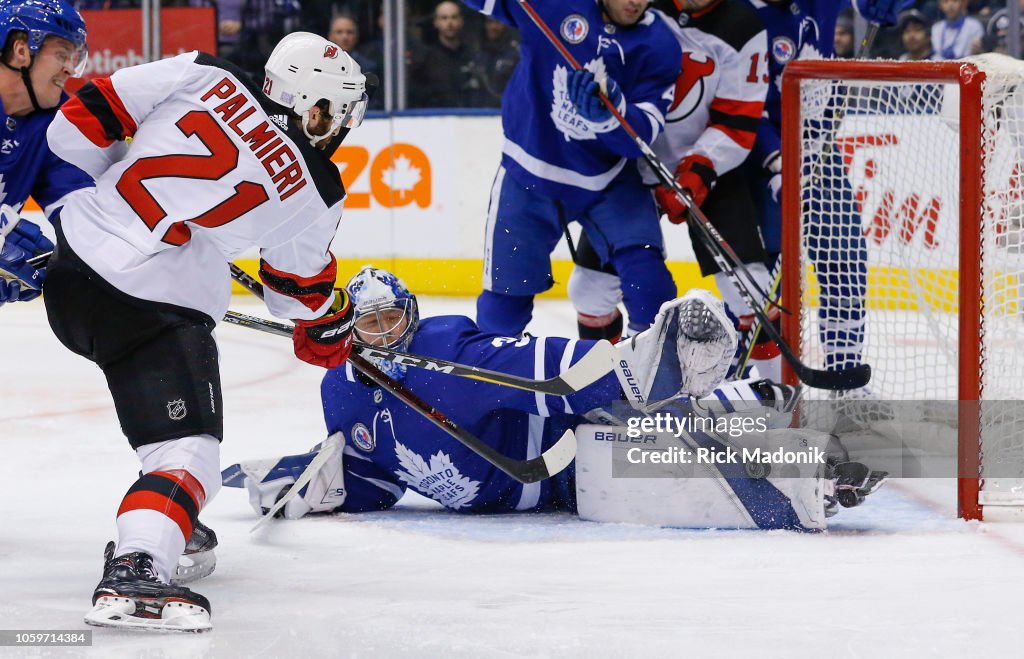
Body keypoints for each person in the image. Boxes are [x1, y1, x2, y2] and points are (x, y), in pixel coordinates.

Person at [42, 31, 368, 632]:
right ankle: (139, 567)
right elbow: (293, 295)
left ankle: (167, 521)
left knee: (160, 431)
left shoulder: (204, 71)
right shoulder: (317, 187)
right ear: (315, 107)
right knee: (188, 451)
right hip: (153, 309)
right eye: (337, 113)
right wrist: (332, 321)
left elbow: (73, 127)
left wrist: (110, 207)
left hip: (72, 271)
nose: (337, 128)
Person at [223, 266, 885, 531]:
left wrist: (639, 369)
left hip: (569, 454)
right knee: (651, 448)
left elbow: (548, 370)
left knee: (640, 450)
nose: (383, 335)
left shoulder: (446, 352)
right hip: (553, 490)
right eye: (368, 325)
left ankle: (806, 473)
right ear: (346, 333)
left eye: (392, 318)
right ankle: (752, 401)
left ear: (412, 315)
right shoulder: (339, 391)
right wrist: (310, 479)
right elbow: (377, 470)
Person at [463, 0, 682, 339]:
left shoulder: (659, 44)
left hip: (609, 179)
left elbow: (641, 138)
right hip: (529, 175)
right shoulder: (553, 5)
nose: (635, 1)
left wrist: (612, 114)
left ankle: (651, 376)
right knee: (504, 308)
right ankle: (491, 382)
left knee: (650, 286)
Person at [566, 0, 769, 358]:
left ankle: (768, 392)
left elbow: (738, 118)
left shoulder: (743, 24)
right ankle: (602, 383)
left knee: (751, 289)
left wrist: (700, 168)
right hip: (630, 168)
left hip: (710, 170)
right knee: (589, 288)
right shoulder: (638, 6)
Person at [742, 0, 910, 385]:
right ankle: (759, 381)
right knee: (766, 278)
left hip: (820, 152)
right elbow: (739, 103)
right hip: (758, 156)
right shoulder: (743, 15)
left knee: (846, 260)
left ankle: (843, 374)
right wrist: (776, 162)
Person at [0, 0, 90, 308]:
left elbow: (84, 214)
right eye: (62, 54)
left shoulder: (56, 126)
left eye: (73, 58)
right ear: (21, 50)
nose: (69, 68)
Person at [409, 1, 476, 108]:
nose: (449, 23)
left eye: (454, 17)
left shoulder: (472, 57)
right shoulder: (426, 60)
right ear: (436, 22)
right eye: (444, 18)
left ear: (461, 21)